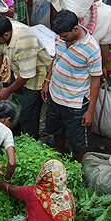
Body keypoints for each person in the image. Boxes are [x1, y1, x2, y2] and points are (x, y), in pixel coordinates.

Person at [42, 9, 102, 161]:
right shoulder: (61, 38)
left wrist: (90, 111)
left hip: (75, 103)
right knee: (57, 130)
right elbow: (56, 57)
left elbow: (96, 81)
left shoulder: (92, 49)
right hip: (55, 96)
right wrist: (48, 81)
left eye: (64, 36)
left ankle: (81, 168)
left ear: (75, 29)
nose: (61, 38)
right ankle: (60, 154)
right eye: (60, 36)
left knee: (79, 141)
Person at [0, 14, 51, 139]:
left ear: (6, 35)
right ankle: (17, 131)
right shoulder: (2, 32)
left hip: (36, 75)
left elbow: (27, 76)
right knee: (17, 102)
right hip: (19, 70)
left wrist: (8, 90)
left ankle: (29, 142)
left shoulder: (23, 42)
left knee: (29, 113)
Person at [0, 159, 76, 221]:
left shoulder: (31, 192)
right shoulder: (68, 196)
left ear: (43, 174)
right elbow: (70, 220)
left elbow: (6, 187)